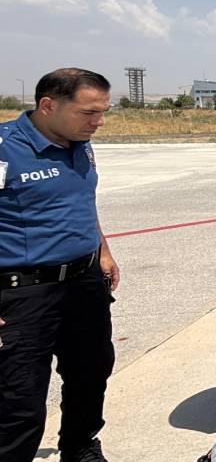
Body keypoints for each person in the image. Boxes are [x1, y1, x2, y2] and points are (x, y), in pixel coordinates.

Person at [0, 68, 118, 462]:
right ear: (48, 106)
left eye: (103, 111)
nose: (98, 122)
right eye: (88, 112)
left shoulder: (80, 143)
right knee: (21, 395)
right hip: (24, 292)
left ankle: (81, 446)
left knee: (91, 371)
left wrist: (102, 249)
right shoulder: (5, 149)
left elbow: (81, 199)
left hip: (84, 281)